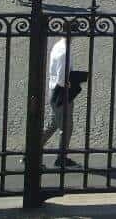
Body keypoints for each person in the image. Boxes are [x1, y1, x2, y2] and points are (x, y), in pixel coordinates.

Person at [41, 26, 79, 168]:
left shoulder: (58, 45)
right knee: (67, 127)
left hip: (54, 91)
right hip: (62, 92)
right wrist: (74, 82)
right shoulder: (65, 51)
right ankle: (61, 159)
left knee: (54, 124)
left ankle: (31, 153)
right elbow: (62, 79)